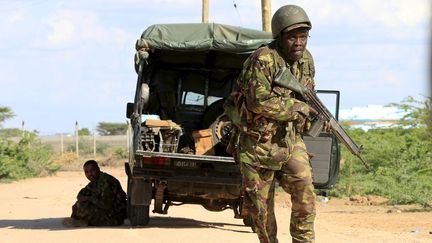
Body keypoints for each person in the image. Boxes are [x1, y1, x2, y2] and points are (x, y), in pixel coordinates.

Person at [230, 4, 318, 243]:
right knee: (261, 209)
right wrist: (299, 109)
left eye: (303, 37)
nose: (299, 43)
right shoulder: (264, 59)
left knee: (305, 189)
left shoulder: (306, 60)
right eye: (292, 37)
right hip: (257, 145)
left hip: (289, 141)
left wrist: (316, 116)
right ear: (280, 37)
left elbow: (307, 95)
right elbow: (258, 102)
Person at [63, 160, 127, 227]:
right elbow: (80, 195)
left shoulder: (105, 181)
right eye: (87, 172)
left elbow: (106, 205)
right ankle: (81, 221)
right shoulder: (95, 181)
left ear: (98, 169)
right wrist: (88, 199)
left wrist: (91, 199)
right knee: (77, 205)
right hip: (107, 211)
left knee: (83, 208)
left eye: (92, 171)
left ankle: (85, 222)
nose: (90, 174)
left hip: (115, 215)